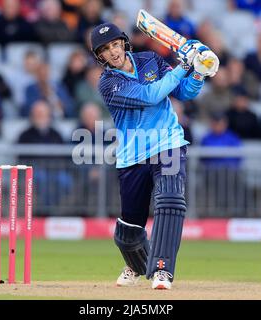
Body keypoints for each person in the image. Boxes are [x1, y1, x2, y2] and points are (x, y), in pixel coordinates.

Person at [91, 22, 219, 289]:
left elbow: (182, 93)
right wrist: (184, 65)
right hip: (132, 155)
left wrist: (198, 72)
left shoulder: (150, 59)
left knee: (171, 200)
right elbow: (150, 96)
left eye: (115, 44)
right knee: (129, 231)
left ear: (124, 43)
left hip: (168, 143)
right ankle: (136, 265)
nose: (113, 52)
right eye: (105, 49)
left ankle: (162, 270)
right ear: (100, 56)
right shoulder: (108, 83)